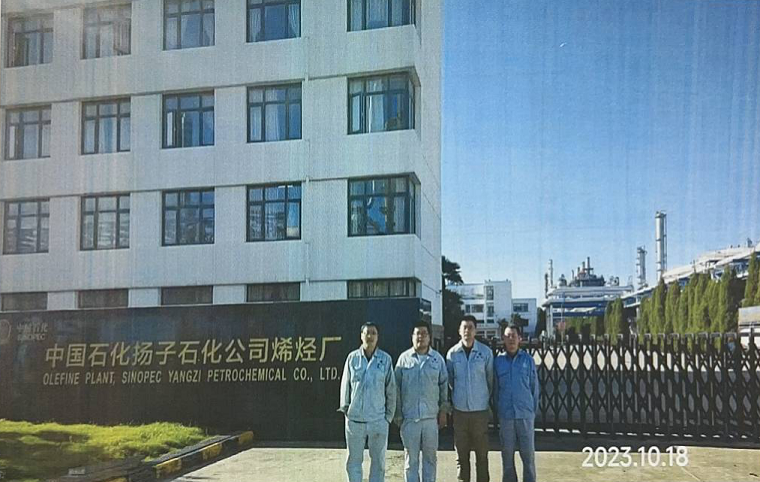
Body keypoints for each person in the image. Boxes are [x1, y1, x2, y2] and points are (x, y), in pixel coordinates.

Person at [339, 322, 396, 482]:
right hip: (355, 420)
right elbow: (345, 385)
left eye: (373, 333)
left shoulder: (385, 359)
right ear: (361, 336)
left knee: (378, 462)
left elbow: (391, 389)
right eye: (367, 333)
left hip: (378, 420)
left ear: (378, 337)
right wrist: (346, 409)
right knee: (353, 461)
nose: (370, 336)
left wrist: (388, 417)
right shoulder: (352, 358)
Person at [394, 321, 450, 482]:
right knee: (410, 461)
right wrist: (398, 414)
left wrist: (443, 411)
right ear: (412, 337)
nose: (421, 337)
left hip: (431, 419)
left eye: (424, 333)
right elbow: (395, 388)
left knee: (430, 459)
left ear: (429, 337)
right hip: (409, 418)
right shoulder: (404, 359)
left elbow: (444, 386)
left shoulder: (437, 360)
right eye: (417, 333)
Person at [446, 315, 493, 482]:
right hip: (460, 413)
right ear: (459, 331)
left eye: (470, 327)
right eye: (464, 327)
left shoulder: (485, 353)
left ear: (475, 330)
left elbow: (490, 380)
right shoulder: (452, 354)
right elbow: (450, 381)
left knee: (482, 456)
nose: (467, 331)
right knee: (461, 456)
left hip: (480, 412)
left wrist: (484, 400)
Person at [493, 324, 539, 482]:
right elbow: (495, 389)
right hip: (506, 416)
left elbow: (534, 388)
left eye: (514, 335)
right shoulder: (498, 362)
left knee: (528, 457)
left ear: (520, 338)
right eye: (507, 336)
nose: (511, 339)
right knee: (507, 457)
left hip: (525, 415)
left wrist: (531, 412)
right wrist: (499, 410)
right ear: (503, 339)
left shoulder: (528, 360)